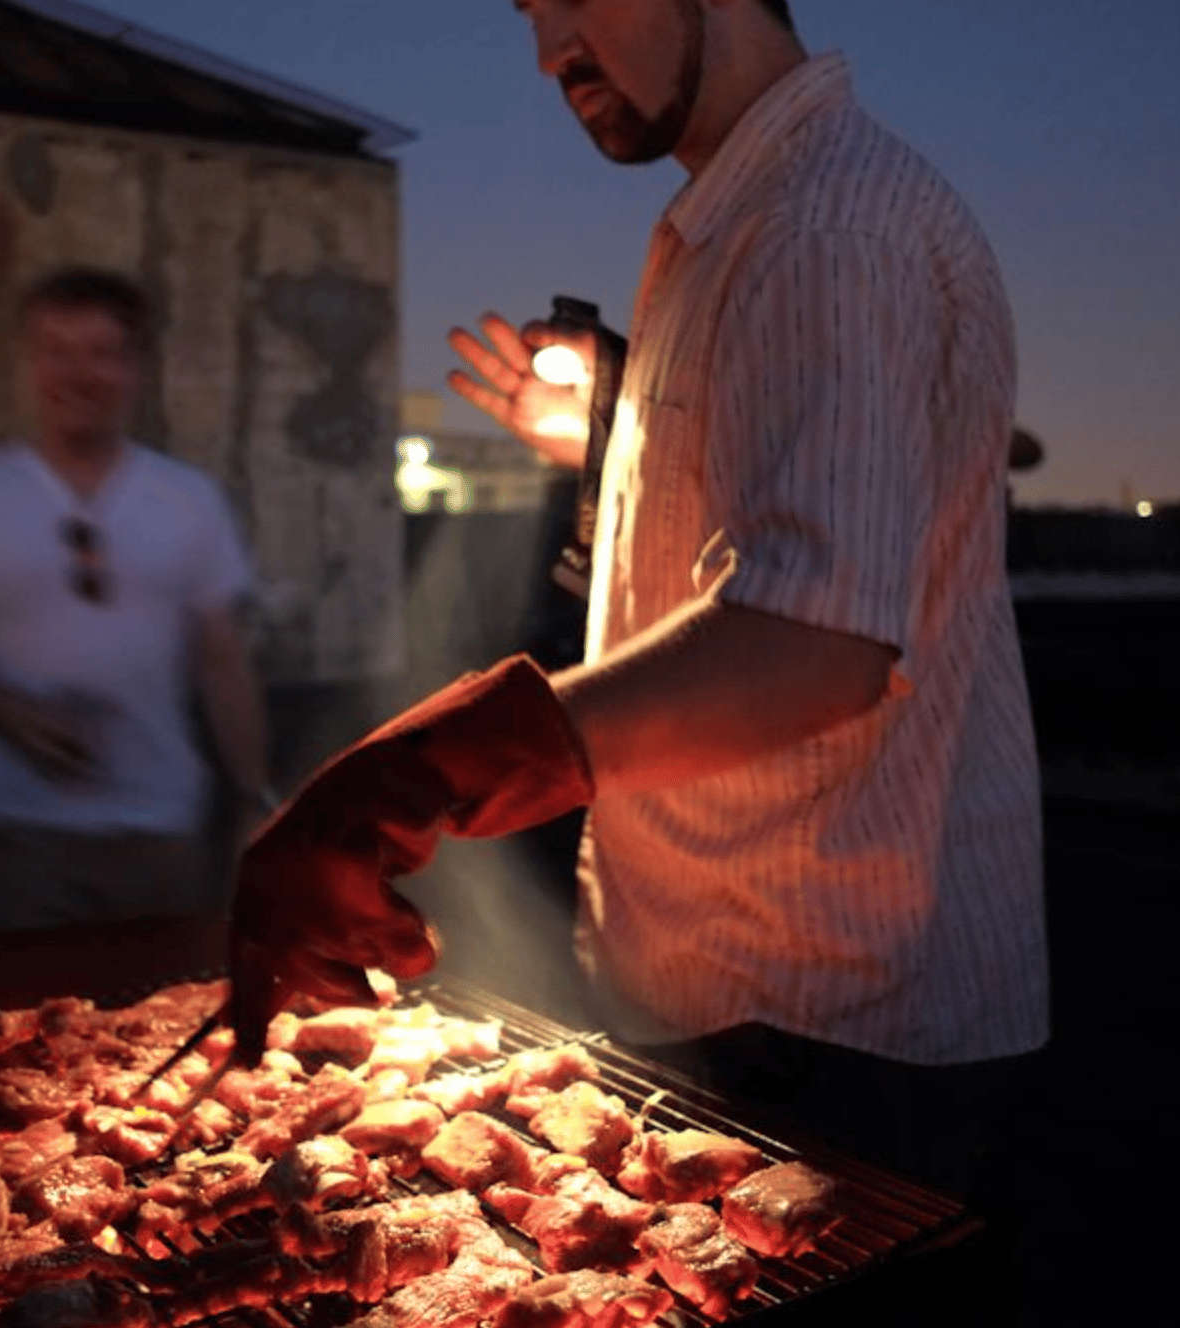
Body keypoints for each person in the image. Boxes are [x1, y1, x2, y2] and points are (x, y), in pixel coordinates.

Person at [228, 0, 1049, 1201]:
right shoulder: (757, 215)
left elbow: (813, 645)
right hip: (747, 980)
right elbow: (789, 545)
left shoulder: (822, 225)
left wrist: (425, 769)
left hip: (834, 1017)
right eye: (527, 13)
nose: (549, 50)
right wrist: (617, 442)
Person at [0, 266, 273, 932]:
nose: (78, 374)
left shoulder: (189, 501)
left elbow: (223, 661)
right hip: (22, 832)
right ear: (26, 364)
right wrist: (8, 711)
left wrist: (252, 796)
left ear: (135, 369)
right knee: (29, 1027)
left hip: (165, 826)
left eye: (102, 353)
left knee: (167, 1015)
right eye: (56, 350)